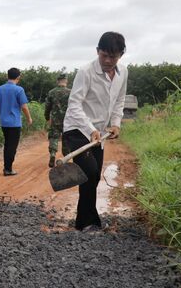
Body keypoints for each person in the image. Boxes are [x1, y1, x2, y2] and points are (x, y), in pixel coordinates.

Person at [62, 31, 128, 232]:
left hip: (98, 133)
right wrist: (90, 129)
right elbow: (74, 104)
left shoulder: (123, 72)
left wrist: (115, 123)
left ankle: (84, 220)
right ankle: (88, 222)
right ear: (97, 51)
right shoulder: (86, 72)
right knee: (89, 171)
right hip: (77, 129)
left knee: (95, 175)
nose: (108, 60)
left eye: (113, 56)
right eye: (104, 55)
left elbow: (119, 101)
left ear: (121, 54)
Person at [0, 68, 33, 175]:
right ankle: (8, 169)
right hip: (14, 123)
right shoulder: (19, 90)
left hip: (4, 122)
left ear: (7, 76)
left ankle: (7, 167)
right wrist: (29, 118)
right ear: (18, 77)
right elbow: (24, 107)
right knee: (12, 146)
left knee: (7, 145)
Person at [44, 74, 71, 168]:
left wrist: (47, 117)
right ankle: (66, 157)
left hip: (55, 120)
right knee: (66, 138)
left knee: (53, 137)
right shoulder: (70, 92)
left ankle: (53, 154)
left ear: (57, 81)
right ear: (66, 81)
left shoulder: (52, 92)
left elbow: (47, 107)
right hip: (67, 120)